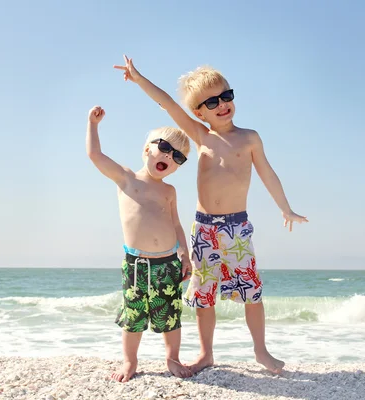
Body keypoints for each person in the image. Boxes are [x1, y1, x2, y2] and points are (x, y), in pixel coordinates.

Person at [114, 56, 308, 374]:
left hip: (236, 228)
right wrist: (138, 78)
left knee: (251, 292)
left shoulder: (249, 138)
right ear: (199, 112)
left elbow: (268, 174)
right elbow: (166, 104)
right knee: (204, 296)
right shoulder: (202, 137)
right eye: (212, 101)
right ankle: (206, 354)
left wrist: (285, 208)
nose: (222, 105)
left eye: (227, 96)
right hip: (204, 229)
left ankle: (261, 351)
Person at [86, 105, 193, 382]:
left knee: (169, 314)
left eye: (177, 156)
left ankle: (172, 358)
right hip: (137, 263)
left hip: (168, 261)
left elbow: (177, 224)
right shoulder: (126, 178)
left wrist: (185, 254)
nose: (169, 156)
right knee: (133, 316)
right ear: (148, 150)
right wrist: (93, 124)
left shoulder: (169, 191)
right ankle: (129, 362)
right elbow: (95, 155)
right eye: (166, 148)